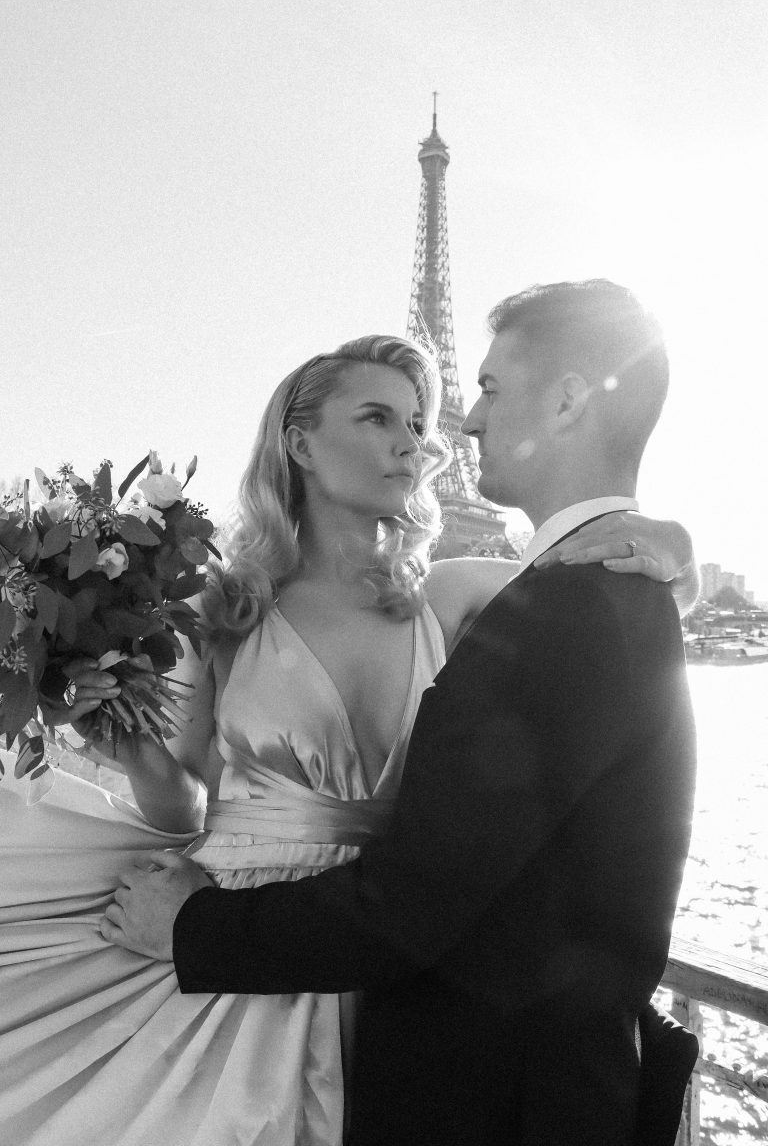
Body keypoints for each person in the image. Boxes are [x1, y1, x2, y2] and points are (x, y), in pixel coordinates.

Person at [0, 327, 694, 1146]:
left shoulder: (459, 595)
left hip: (398, 947)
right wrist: (129, 750)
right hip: (248, 931)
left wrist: (674, 544)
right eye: (379, 418)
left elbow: (603, 590)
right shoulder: (220, 607)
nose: (415, 443)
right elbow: (184, 797)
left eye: (417, 422)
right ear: (299, 442)